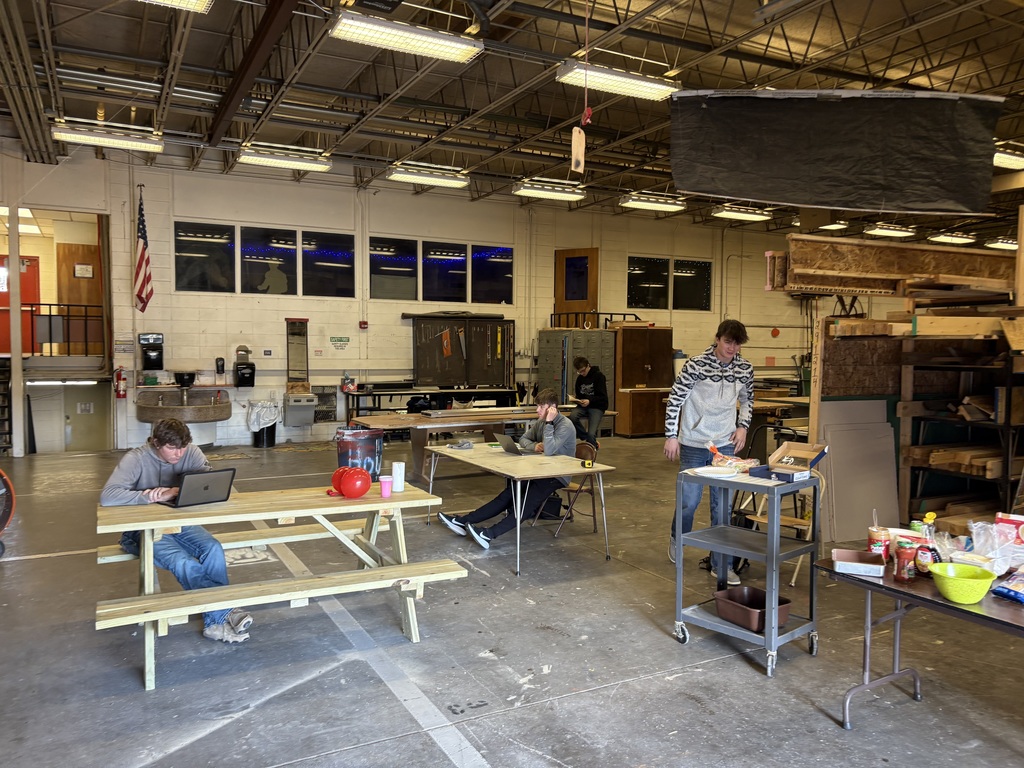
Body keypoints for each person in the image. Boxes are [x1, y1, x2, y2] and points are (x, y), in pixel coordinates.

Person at [100, 418, 253, 643]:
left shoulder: (191, 452)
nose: (179, 453)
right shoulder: (136, 459)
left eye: (182, 446)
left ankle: (214, 623)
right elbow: (107, 496)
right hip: (140, 530)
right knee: (182, 561)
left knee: (213, 548)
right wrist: (147, 496)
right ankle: (226, 611)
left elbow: (207, 481)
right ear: (156, 442)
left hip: (179, 524)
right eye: (172, 448)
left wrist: (183, 489)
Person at [663, 320, 754, 585]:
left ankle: (721, 565)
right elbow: (676, 398)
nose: (732, 348)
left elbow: (748, 399)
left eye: (737, 344)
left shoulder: (745, 368)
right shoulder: (695, 365)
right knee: (689, 502)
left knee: (722, 506)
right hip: (692, 442)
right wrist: (671, 435)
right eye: (728, 342)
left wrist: (743, 427)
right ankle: (677, 536)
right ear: (717, 339)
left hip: (724, 444)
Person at [437, 387, 577, 549]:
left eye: (541, 407)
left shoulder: (564, 425)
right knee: (506, 496)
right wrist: (534, 446)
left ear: (552, 408)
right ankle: (462, 522)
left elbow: (550, 450)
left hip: (557, 475)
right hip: (541, 471)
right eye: (537, 406)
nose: (537, 410)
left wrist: (549, 423)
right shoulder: (540, 423)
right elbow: (523, 439)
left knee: (524, 505)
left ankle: (488, 535)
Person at [568, 356, 608, 448]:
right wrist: (577, 399)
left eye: (583, 370)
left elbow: (603, 397)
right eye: (579, 372)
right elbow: (579, 394)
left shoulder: (599, 376)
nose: (582, 373)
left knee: (591, 433)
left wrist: (590, 400)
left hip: (597, 406)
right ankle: (587, 438)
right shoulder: (580, 379)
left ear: (588, 365)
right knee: (573, 417)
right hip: (583, 406)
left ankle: (591, 447)